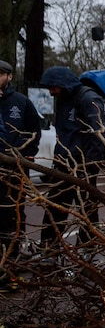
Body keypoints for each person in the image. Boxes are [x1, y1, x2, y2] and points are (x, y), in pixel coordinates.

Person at [38, 66, 105, 245]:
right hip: (64, 165)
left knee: (87, 209)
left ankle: (88, 245)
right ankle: (49, 246)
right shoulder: (64, 99)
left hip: (83, 167)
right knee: (55, 206)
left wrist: (89, 167)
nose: (51, 91)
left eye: (53, 87)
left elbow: (98, 135)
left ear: (63, 84)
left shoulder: (87, 99)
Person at [0, 61, 42, 260]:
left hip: (14, 166)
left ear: (9, 76)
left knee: (14, 210)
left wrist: (27, 153)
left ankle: (14, 254)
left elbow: (34, 130)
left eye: (0, 74)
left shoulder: (21, 102)